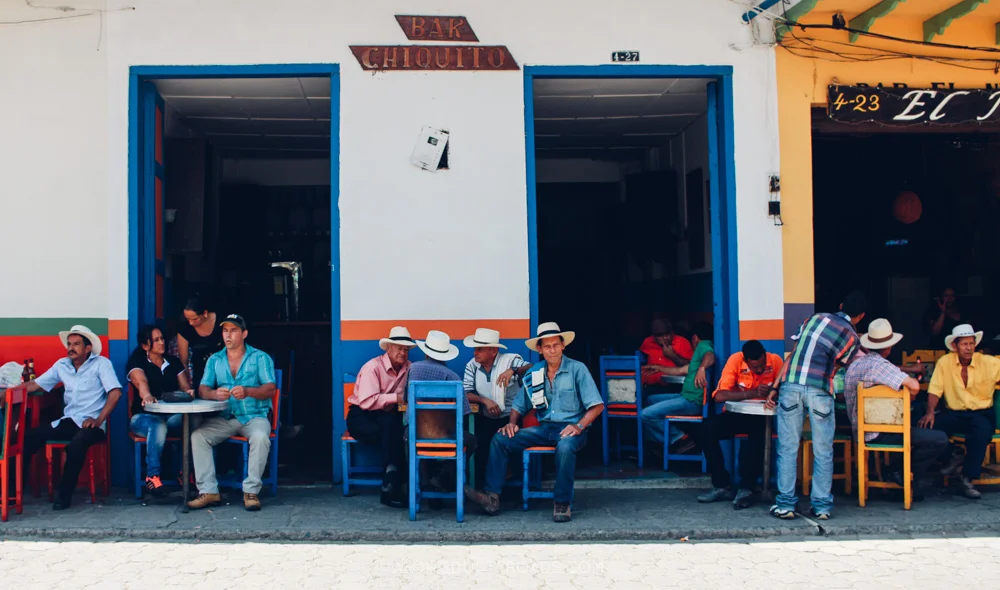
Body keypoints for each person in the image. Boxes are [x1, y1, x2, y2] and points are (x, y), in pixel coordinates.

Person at [465, 322, 604, 523]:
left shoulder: (577, 369)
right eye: (547, 346)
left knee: (565, 447)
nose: (552, 350)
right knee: (501, 438)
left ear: (563, 345)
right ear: (539, 349)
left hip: (571, 431)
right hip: (544, 429)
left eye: (556, 345)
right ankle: (492, 496)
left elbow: (597, 405)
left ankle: (562, 502)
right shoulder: (535, 372)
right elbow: (519, 404)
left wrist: (579, 426)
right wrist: (512, 422)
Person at [767, 290, 866, 521]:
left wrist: (774, 387)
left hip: (791, 386)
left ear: (841, 304)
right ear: (861, 316)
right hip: (820, 390)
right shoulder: (852, 338)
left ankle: (785, 505)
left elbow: (792, 355)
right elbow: (840, 367)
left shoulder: (814, 318)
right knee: (823, 451)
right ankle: (821, 507)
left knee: (788, 448)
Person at [844, 319, 953, 500]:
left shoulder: (855, 365)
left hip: (860, 431)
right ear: (889, 347)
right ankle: (899, 471)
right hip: (881, 432)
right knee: (939, 439)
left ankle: (902, 476)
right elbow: (914, 385)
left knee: (918, 426)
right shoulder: (880, 366)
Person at [21, 325, 122, 510]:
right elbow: (36, 385)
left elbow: (115, 392)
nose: (71, 348)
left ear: (88, 348)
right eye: (69, 344)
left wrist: (98, 420)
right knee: (28, 438)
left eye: (76, 344)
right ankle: (13, 492)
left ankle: (63, 496)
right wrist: (9, 393)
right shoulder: (62, 365)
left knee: (77, 443)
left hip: (92, 425)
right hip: (68, 421)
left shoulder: (101, 363)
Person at [186, 314, 277, 512]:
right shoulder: (215, 360)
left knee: (261, 437)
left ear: (244, 334)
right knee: (198, 436)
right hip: (226, 417)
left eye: (234, 330)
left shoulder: (260, 358)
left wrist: (248, 391)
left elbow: (270, 388)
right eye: (225, 330)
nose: (228, 335)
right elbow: (203, 389)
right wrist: (213, 394)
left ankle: (251, 491)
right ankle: (209, 491)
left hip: (254, 416)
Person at [696, 340, 784, 510]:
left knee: (757, 435)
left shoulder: (776, 361)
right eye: (754, 367)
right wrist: (751, 393)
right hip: (738, 414)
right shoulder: (736, 360)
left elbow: (785, 388)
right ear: (745, 360)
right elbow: (719, 396)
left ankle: (748, 486)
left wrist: (773, 393)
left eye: (761, 366)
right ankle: (722, 485)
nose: (759, 370)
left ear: (765, 356)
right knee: (706, 429)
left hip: (763, 416)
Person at [920, 324, 1000, 499]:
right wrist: (931, 411)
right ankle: (953, 456)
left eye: (971, 343)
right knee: (928, 427)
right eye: (964, 344)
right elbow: (935, 390)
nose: (969, 348)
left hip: (981, 412)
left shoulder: (988, 362)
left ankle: (967, 478)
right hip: (955, 413)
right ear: (955, 346)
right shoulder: (945, 362)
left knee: (981, 433)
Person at [346, 326, 415, 508]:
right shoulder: (373, 367)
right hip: (362, 416)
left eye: (406, 349)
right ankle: (396, 483)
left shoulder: (410, 368)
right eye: (399, 348)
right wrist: (397, 398)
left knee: (395, 429)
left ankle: (390, 481)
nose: (403, 353)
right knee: (395, 435)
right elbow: (368, 401)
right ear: (388, 349)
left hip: (389, 417)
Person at [127, 324, 195, 497]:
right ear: (145, 346)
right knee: (157, 425)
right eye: (155, 340)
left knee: (191, 421)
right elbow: (140, 382)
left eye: (162, 339)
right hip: (142, 418)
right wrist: (147, 395)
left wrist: (189, 392)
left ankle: (185, 472)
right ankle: (153, 477)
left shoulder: (172, 362)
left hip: (170, 417)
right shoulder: (137, 362)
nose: (161, 343)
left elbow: (185, 386)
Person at [408, 330, 476, 496]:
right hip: (447, 436)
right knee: (472, 440)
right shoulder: (452, 377)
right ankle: (443, 476)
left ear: (426, 352)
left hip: (418, 434)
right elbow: (465, 412)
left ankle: (424, 483)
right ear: (446, 355)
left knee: (409, 437)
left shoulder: (412, 369)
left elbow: (405, 398)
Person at [461, 328, 532, 487]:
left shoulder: (510, 360)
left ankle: (512, 487)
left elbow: (531, 368)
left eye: (479, 349)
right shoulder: (472, 366)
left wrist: (513, 370)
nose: (475, 353)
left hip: (510, 417)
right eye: (475, 349)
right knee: (481, 445)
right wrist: (485, 400)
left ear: (493, 351)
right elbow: (465, 392)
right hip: (485, 417)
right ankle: (483, 487)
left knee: (512, 446)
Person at [640, 322, 715, 449]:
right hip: (685, 396)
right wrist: (656, 367)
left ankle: (679, 438)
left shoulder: (703, 345)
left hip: (691, 401)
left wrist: (702, 368)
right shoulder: (697, 357)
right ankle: (659, 443)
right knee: (650, 399)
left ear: (695, 337)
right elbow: (679, 370)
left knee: (645, 414)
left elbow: (710, 355)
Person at [177, 296, 224, 388]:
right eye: (188, 319)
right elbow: (184, 361)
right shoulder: (185, 327)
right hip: (201, 376)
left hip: (224, 374)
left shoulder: (222, 322)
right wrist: (186, 387)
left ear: (205, 313)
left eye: (194, 319)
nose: (190, 323)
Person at [639, 319, 693, 387]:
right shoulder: (648, 342)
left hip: (675, 386)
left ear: (672, 332)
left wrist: (673, 356)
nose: (665, 338)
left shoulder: (683, 343)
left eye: (667, 333)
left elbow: (691, 367)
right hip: (651, 386)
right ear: (654, 336)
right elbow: (640, 362)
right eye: (660, 335)